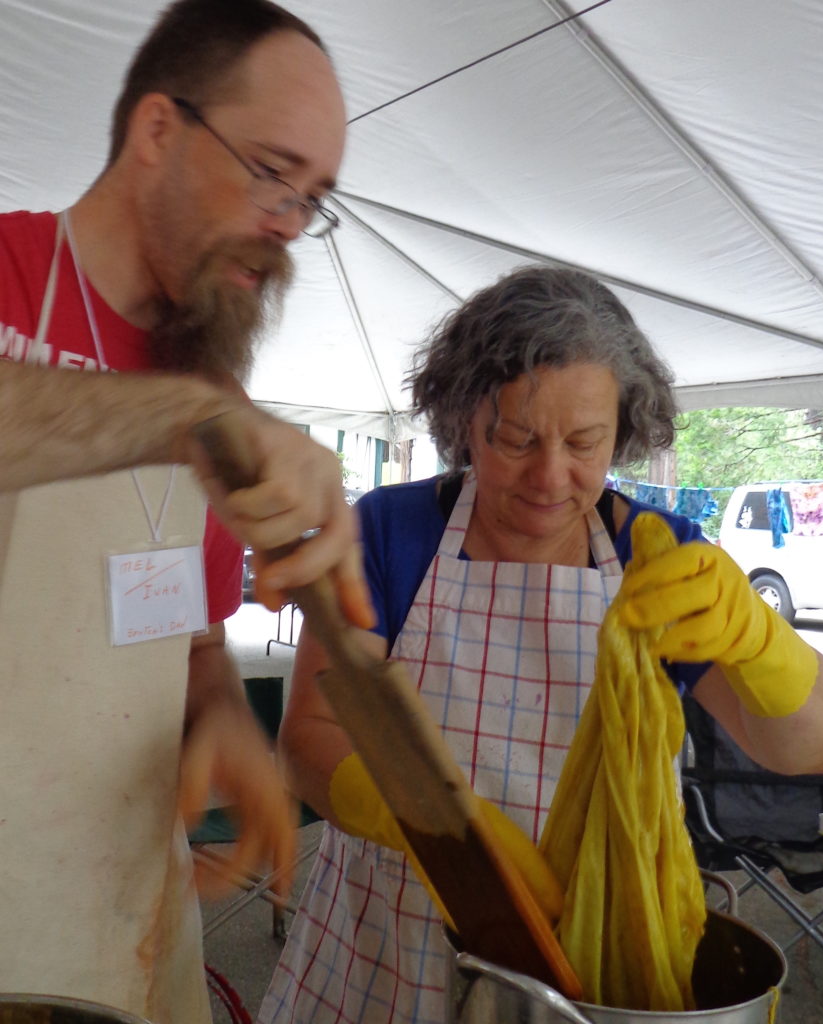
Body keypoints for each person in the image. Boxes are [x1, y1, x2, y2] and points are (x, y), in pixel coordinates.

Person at [260, 264, 823, 1024]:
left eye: (584, 442)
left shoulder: (655, 558)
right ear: (466, 420)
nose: (549, 476)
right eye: (516, 439)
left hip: (593, 951)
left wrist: (764, 645)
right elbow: (308, 739)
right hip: (389, 930)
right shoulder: (391, 534)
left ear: (622, 431)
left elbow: (798, 746)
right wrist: (429, 822)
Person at [0, 1, 373, 1021]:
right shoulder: (12, 276)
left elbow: (191, 636)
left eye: (314, 198)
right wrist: (191, 416)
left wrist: (220, 716)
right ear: (157, 130)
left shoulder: (213, 394)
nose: (289, 227)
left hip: (116, 928)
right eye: (271, 173)